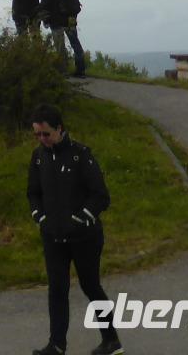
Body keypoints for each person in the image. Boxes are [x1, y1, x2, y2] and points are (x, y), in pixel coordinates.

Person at [27, 103, 124, 355]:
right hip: (52, 237)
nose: (41, 139)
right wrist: (40, 217)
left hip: (85, 237)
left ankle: (111, 341)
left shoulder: (81, 155)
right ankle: (56, 345)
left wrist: (81, 219)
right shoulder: (38, 157)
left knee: (90, 286)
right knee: (57, 289)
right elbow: (33, 193)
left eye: (45, 133)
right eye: (37, 134)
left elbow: (101, 196)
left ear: (59, 129)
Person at [40, 0, 88, 77]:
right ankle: (80, 70)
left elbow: (45, 3)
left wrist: (45, 19)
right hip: (71, 18)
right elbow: (76, 0)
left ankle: (63, 71)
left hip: (56, 20)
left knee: (60, 46)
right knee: (75, 44)